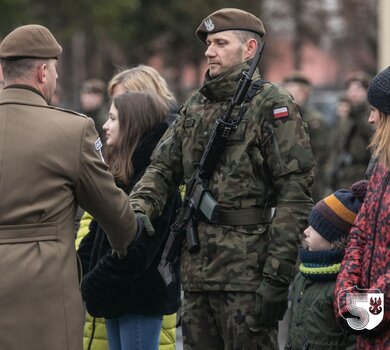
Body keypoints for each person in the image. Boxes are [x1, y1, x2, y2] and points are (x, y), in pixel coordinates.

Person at [129, 8, 314, 350]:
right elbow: (161, 169)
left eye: (219, 43)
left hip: (247, 274)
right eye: (208, 43)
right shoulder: (195, 106)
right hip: (197, 273)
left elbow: (295, 194)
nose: (208, 51)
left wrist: (277, 276)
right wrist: (137, 210)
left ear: (249, 49)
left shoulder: (272, 105)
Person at [0, 24, 140, 350]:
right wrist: (124, 241)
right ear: (43, 72)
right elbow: (116, 217)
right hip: (43, 294)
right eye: (55, 70)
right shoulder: (70, 130)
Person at [78, 64, 180, 350]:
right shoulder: (123, 164)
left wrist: (93, 282)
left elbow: (141, 244)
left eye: (115, 114)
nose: (105, 124)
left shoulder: (157, 169)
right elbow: (98, 227)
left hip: (136, 294)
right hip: (114, 292)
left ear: (136, 116)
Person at [334, 66, 390, 350]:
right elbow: (360, 234)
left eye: (376, 110)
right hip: (371, 332)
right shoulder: (381, 168)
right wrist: (346, 293)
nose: (370, 118)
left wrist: (370, 309)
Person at [285, 180, 367, 349]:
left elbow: (358, 342)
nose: (306, 231)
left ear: (334, 241)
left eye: (315, 228)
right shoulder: (303, 275)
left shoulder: (352, 286)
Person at [282, 71, 329, 203]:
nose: (288, 95)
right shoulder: (280, 117)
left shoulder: (315, 121)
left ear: (305, 94)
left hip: (308, 183)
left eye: (294, 91)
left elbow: (323, 155)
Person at [328, 71, 374, 191]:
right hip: (343, 174)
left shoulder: (372, 113)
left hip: (362, 172)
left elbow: (373, 137)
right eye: (350, 89)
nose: (353, 93)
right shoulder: (344, 115)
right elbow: (335, 147)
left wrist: (358, 116)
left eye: (358, 89)